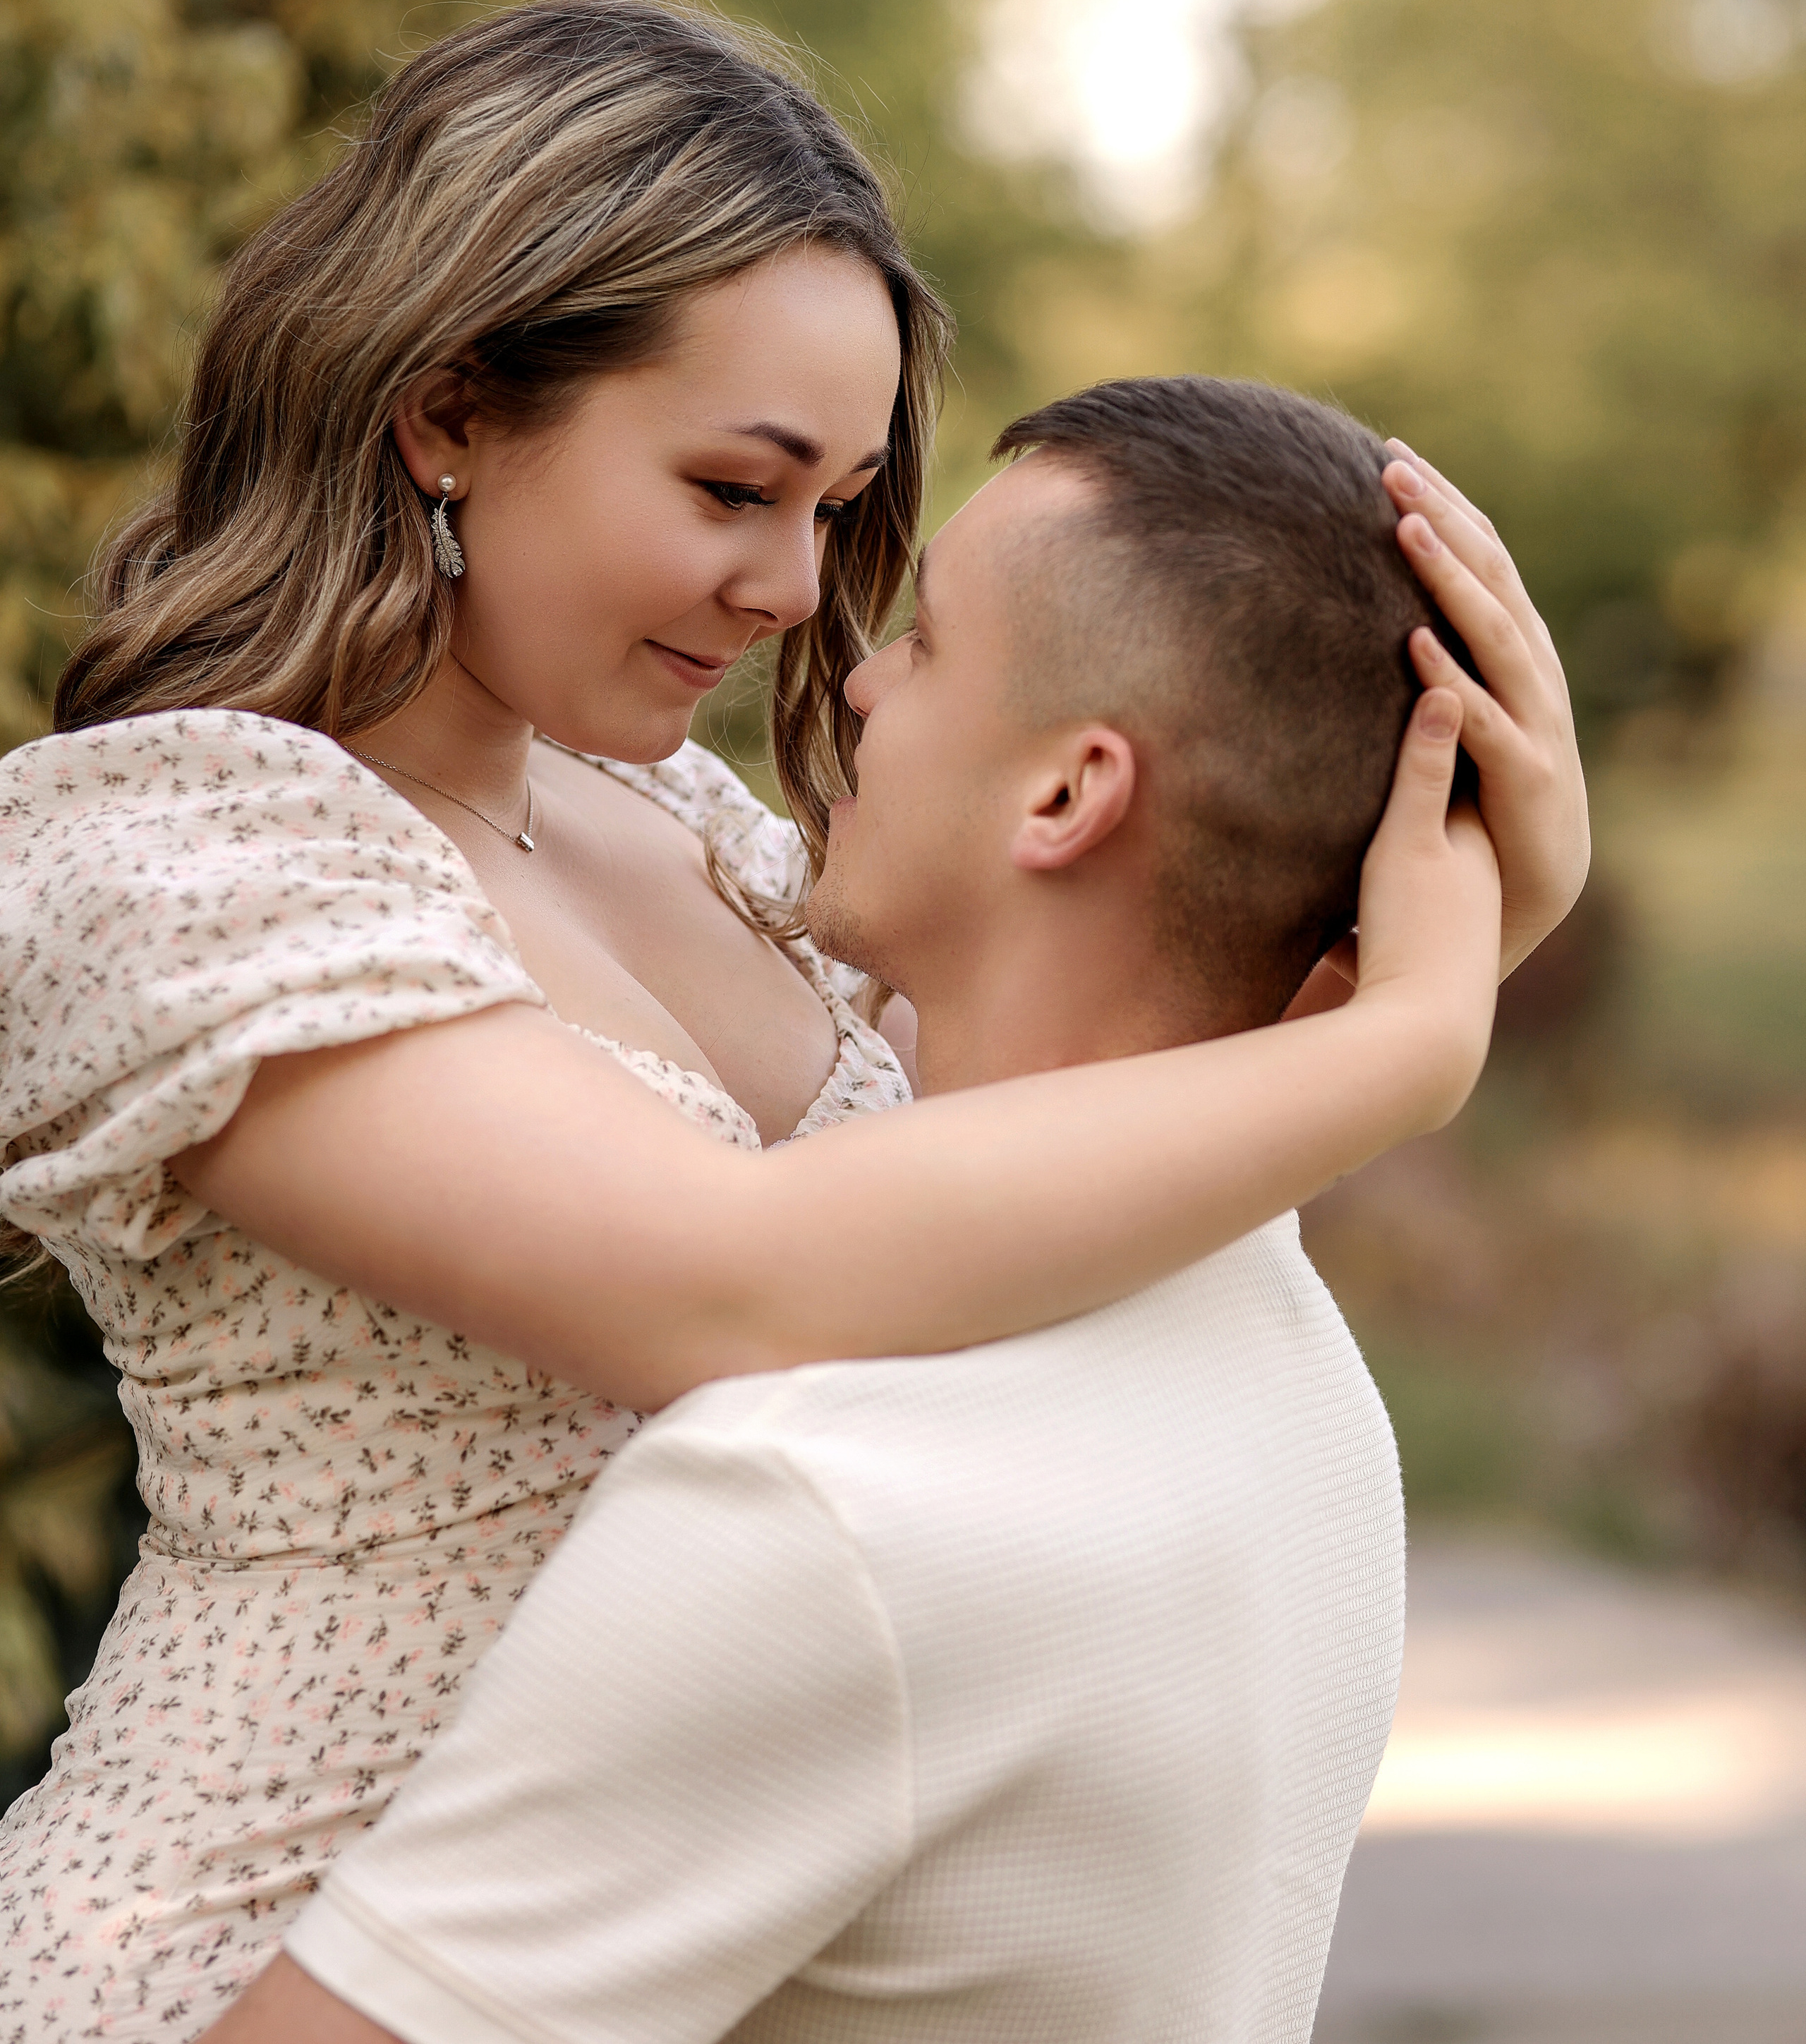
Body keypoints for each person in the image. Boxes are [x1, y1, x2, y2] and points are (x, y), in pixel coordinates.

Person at [0, 0, 1587, 2042]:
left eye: (836, 507)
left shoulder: (687, 820)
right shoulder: (175, 850)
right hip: (246, 1963)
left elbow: (1054, 1135)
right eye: (735, 487)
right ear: (450, 409)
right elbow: (724, 1286)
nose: (793, 589)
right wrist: (1400, 1050)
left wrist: (1399, 922)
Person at [203, 376, 1502, 2044]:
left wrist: (1413, 1031)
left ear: (1065, 798)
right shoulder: (1286, 1356)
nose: (855, 670)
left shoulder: (825, 1504)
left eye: (932, 642)